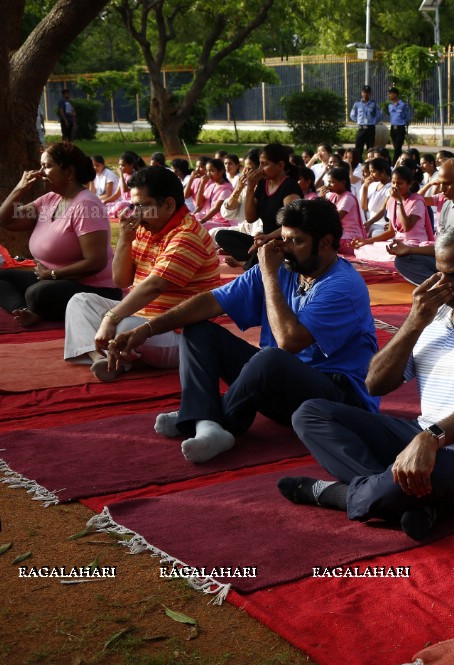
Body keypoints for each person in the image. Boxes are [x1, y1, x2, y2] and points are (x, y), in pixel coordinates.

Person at [278, 219, 454, 541]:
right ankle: (409, 499)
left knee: (435, 469)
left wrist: (431, 438)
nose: (443, 285)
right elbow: (376, 383)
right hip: (423, 436)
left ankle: (340, 494)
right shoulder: (435, 315)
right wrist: (414, 322)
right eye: (439, 272)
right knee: (311, 414)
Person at [109, 198, 379, 463]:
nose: (284, 248)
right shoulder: (287, 266)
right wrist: (147, 329)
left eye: (296, 241)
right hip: (284, 387)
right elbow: (211, 301)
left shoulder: (343, 285)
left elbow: (288, 342)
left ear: (326, 243)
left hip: (339, 401)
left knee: (272, 357)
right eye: (283, 239)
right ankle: (206, 423)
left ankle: (208, 420)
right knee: (199, 331)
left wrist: (269, 275)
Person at [63, 166, 220, 381]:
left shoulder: (187, 235)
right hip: (142, 320)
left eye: (143, 206)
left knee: (126, 326)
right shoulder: (147, 228)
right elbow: (121, 280)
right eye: (134, 206)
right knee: (80, 302)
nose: (136, 213)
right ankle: (103, 358)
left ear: (168, 204)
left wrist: (110, 318)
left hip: (179, 334)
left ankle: (116, 358)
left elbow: (154, 286)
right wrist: (125, 241)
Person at [0, 143, 120, 327]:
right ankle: (25, 310)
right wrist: (19, 189)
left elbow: (96, 261)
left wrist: (53, 274)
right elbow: (6, 220)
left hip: (93, 288)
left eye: (47, 166)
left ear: (69, 172)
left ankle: (37, 308)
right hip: (50, 279)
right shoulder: (50, 199)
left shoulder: (86, 205)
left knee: (37, 293)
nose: (40, 173)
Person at [216, 143, 301, 269]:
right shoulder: (262, 184)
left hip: (282, 242)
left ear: (280, 165)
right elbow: (250, 218)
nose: (260, 169)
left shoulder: (289, 187)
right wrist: (250, 187)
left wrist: (268, 237)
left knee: (266, 249)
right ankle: (253, 261)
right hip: (263, 240)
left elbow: (291, 225)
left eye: (265, 164)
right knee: (221, 235)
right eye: (260, 164)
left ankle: (248, 263)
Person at [353, 165, 431, 261]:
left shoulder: (417, 201)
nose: (395, 187)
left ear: (410, 184)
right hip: (397, 242)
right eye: (393, 183)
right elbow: (391, 232)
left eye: (399, 183)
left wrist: (399, 202)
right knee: (364, 248)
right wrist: (366, 241)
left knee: (399, 255)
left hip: (414, 244)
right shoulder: (392, 200)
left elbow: (407, 227)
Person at [322, 167, 365, 254]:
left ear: (343, 182)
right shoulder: (332, 196)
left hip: (350, 237)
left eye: (332, 182)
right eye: (329, 182)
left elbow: (336, 218)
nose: (329, 185)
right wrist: (322, 198)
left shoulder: (348, 198)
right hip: (339, 234)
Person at [350, 85, 382, 158]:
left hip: (370, 128)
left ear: (370, 94)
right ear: (361, 93)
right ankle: (358, 163)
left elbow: (379, 115)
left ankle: (369, 162)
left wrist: (373, 121)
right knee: (358, 146)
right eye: (364, 92)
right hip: (361, 128)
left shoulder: (374, 104)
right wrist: (359, 121)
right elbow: (352, 115)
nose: (365, 94)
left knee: (370, 147)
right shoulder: (357, 104)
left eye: (367, 92)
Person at [387, 87, 412, 159]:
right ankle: (401, 160)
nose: (389, 95)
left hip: (400, 128)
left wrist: (406, 124)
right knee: (396, 148)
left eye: (390, 94)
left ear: (395, 94)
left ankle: (395, 163)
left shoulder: (403, 105)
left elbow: (407, 116)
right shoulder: (390, 105)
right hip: (393, 128)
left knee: (397, 147)